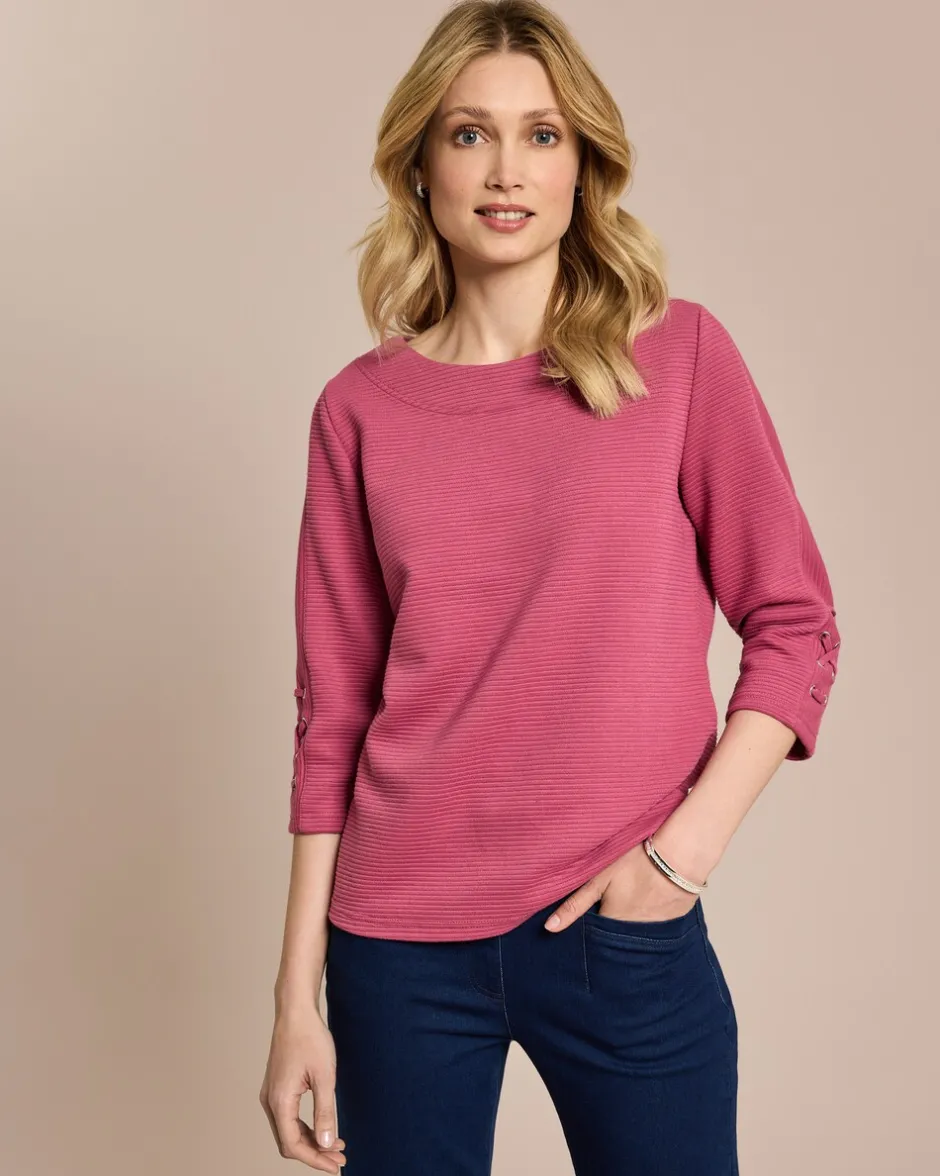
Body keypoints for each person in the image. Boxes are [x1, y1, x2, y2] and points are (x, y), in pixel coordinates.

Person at [258, 2, 842, 1172]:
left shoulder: (677, 358)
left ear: (584, 165)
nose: (506, 170)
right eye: (469, 134)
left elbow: (795, 626)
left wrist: (678, 859)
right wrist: (293, 1001)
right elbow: (334, 716)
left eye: (542, 134)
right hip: (396, 944)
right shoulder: (359, 411)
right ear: (420, 164)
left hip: (619, 928)